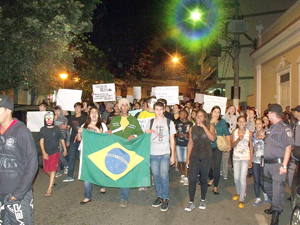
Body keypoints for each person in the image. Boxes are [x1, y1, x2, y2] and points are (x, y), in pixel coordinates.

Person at [0, 95, 38, 224]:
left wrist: (18, 193)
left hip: (17, 196)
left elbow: (32, 162)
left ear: (8, 110)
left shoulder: (21, 131)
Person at [109, 98, 143, 207]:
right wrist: (108, 133)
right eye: (122, 105)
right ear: (119, 107)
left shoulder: (133, 120)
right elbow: (111, 133)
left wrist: (135, 135)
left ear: (128, 107)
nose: (124, 107)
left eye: (126, 105)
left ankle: (123, 197)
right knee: (118, 171)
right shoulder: (114, 119)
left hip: (128, 150)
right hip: (116, 149)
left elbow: (140, 133)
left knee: (125, 173)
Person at [263, 104, 294, 225]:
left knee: (277, 190)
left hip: (278, 165)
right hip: (267, 164)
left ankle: (276, 214)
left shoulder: (285, 128)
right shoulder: (272, 127)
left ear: (273, 114)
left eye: (269, 113)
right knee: (266, 187)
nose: (268, 115)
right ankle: (276, 205)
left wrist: (284, 165)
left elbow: (288, 148)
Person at [145, 101, 176, 212]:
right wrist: (146, 132)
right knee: (156, 176)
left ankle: (165, 198)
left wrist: (173, 155)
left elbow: (172, 140)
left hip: (164, 154)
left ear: (164, 110)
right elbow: (146, 139)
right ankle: (159, 195)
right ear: (154, 110)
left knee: (164, 176)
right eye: (156, 109)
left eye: (160, 109)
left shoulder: (169, 122)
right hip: (153, 154)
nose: (159, 111)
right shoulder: (150, 122)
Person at [184, 109, 216, 211]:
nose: (199, 118)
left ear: (205, 117)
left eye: (201, 116)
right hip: (195, 156)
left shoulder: (210, 126)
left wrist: (203, 126)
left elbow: (212, 138)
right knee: (192, 179)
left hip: (206, 156)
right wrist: (187, 159)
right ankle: (191, 202)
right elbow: (190, 143)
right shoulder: (192, 128)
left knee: (203, 179)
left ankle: (202, 200)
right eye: (197, 116)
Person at [77, 107, 108, 204]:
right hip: (85, 152)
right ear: (89, 115)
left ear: (98, 115)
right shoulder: (84, 125)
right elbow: (79, 139)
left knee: (99, 170)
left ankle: (102, 185)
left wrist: (95, 128)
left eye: (96, 112)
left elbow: (104, 137)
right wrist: (79, 133)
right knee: (87, 173)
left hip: (98, 153)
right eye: (92, 112)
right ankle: (87, 195)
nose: (94, 114)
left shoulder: (102, 125)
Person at [39, 111, 68, 197]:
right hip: (46, 152)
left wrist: (65, 149)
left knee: (53, 169)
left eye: (50, 118)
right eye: (47, 118)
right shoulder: (43, 129)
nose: (49, 120)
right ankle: (53, 178)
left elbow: (61, 139)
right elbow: (41, 141)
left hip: (55, 151)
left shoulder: (56, 129)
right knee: (46, 170)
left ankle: (49, 188)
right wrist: (43, 152)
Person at [231, 115, 253, 208]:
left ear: (246, 123)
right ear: (237, 123)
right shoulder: (234, 132)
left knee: (242, 178)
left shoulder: (249, 133)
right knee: (236, 178)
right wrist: (238, 139)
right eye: (239, 121)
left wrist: (251, 160)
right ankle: (238, 192)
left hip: (245, 157)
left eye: (243, 121)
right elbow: (232, 145)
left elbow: (251, 147)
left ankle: (242, 199)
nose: (241, 123)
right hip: (236, 157)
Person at [208, 106, 231, 194]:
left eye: (218, 112)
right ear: (211, 112)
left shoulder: (222, 122)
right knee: (208, 166)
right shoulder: (208, 122)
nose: (217, 114)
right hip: (208, 146)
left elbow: (227, 133)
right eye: (215, 112)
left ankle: (216, 186)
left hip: (218, 146)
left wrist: (229, 144)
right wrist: (210, 123)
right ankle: (212, 178)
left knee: (217, 166)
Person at [63, 102, 87, 182]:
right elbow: (68, 128)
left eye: (78, 107)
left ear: (81, 109)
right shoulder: (71, 117)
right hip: (73, 140)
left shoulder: (84, 117)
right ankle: (70, 176)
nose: (77, 109)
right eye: (75, 108)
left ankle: (84, 175)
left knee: (82, 158)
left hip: (82, 140)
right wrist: (65, 127)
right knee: (71, 158)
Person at [252, 118, 269, 206]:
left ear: (263, 124)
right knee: (256, 180)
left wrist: (265, 139)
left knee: (263, 181)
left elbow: (272, 145)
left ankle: (265, 194)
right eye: (256, 124)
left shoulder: (267, 133)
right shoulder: (253, 134)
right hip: (255, 160)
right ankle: (257, 198)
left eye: (259, 123)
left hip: (264, 161)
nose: (258, 125)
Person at [175, 110, 193, 185]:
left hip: (187, 144)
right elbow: (174, 133)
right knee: (180, 161)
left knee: (186, 161)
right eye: (180, 113)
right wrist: (179, 135)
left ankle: (186, 177)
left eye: (183, 114)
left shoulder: (190, 124)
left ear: (186, 115)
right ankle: (182, 174)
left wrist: (187, 136)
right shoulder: (178, 123)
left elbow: (192, 134)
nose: (181, 115)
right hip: (179, 144)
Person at [222, 105, 239, 179]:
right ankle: (224, 172)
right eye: (231, 108)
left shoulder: (236, 118)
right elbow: (222, 120)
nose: (232, 110)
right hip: (227, 136)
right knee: (226, 154)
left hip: (234, 136)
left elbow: (240, 118)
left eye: (233, 109)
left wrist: (237, 112)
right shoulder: (226, 117)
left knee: (234, 153)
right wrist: (227, 113)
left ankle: (233, 168)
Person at [54, 105, 70, 177]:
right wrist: (54, 120)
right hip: (54, 138)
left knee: (60, 154)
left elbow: (67, 130)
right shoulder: (54, 119)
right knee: (56, 154)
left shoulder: (64, 119)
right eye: (55, 111)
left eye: (58, 111)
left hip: (62, 138)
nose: (57, 112)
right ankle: (58, 170)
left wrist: (68, 140)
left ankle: (66, 165)